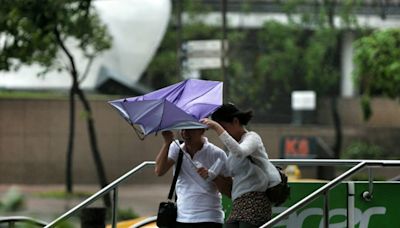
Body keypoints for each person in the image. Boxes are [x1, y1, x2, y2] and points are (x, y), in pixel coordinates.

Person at [201, 103, 281, 228]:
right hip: (238, 203)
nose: (222, 133)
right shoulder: (232, 148)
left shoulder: (252, 138)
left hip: (256, 201)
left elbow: (240, 152)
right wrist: (210, 174)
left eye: (224, 127)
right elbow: (228, 170)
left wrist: (216, 127)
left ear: (236, 121)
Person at [155, 128, 231, 228]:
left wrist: (213, 176)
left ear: (202, 130)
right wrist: (167, 143)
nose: (185, 134)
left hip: (210, 217)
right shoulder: (176, 148)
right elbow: (159, 171)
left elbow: (229, 191)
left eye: (190, 130)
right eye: (183, 130)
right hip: (182, 217)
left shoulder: (217, 153)